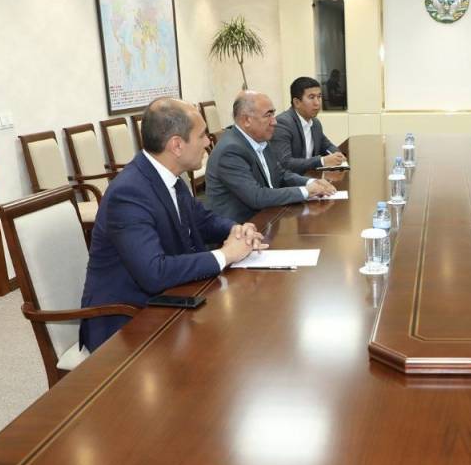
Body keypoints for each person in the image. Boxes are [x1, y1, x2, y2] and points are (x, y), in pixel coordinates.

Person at [79, 98, 265, 352]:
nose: (208, 142)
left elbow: (203, 220)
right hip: (125, 321)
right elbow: (154, 273)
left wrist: (236, 229)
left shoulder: (169, 176)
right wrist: (225, 254)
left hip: (169, 300)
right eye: (201, 135)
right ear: (177, 145)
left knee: (243, 332)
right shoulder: (128, 193)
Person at [206, 90, 337, 223]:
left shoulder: (261, 140)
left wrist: (311, 182)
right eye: (268, 115)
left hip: (266, 218)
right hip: (240, 228)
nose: (274, 122)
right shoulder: (231, 150)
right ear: (246, 120)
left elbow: (281, 175)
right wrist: (306, 191)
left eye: (273, 114)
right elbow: (256, 196)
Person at [271, 76, 346, 174]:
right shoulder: (283, 123)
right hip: (292, 180)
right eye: (311, 97)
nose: (317, 103)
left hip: (311, 175)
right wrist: (322, 161)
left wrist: (338, 155)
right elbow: (285, 163)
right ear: (297, 102)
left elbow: (327, 146)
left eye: (319, 97)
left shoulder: (315, 123)